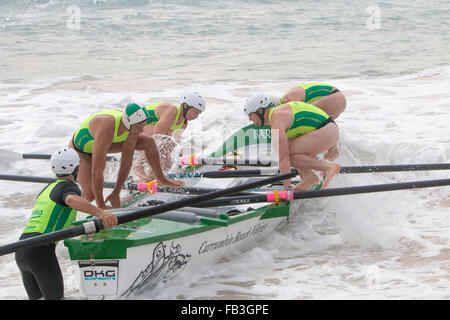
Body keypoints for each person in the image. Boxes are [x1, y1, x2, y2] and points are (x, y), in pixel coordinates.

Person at [15, 147, 118, 300]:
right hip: (40, 251)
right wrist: (101, 213)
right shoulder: (67, 187)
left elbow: (53, 218)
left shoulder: (46, 189)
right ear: (77, 168)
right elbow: (70, 199)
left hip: (21, 250)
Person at [69, 103, 184, 209]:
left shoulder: (131, 128)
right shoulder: (106, 128)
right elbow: (97, 171)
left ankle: (161, 179)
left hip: (107, 143)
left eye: (143, 127)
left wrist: (116, 192)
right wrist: (101, 206)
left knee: (148, 142)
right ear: (129, 122)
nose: (141, 131)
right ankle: (70, 209)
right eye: (139, 128)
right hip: (82, 151)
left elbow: (126, 162)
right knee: (90, 195)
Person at [243, 93, 342, 191]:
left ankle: (328, 168)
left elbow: (284, 158)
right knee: (286, 150)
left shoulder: (277, 119)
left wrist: (287, 190)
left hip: (327, 131)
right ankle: (308, 177)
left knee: (286, 154)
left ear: (260, 111)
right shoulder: (278, 114)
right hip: (326, 130)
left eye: (251, 115)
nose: (250, 119)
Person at [133, 92, 206, 181]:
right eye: (195, 112)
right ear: (186, 106)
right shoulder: (172, 111)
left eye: (199, 114)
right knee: (161, 140)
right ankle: (137, 166)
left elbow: (171, 146)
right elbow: (157, 137)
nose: (196, 116)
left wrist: (166, 160)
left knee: (168, 162)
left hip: (144, 134)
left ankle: (152, 179)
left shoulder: (184, 124)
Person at [269, 83, 346, 161]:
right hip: (336, 98)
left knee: (309, 125)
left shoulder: (289, 100)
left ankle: (320, 160)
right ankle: (329, 156)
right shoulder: (284, 108)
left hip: (335, 97)